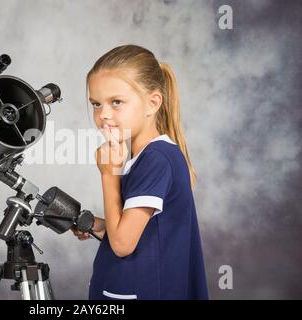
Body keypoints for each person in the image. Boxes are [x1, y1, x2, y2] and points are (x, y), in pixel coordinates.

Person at [71, 44, 209, 300]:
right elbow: (147, 232)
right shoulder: (146, 157)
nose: (103, 115)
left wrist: (109, 174)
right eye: (96, 104)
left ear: (152, 103)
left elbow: (123, 245)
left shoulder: (156, 159)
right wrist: (102, 227)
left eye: (116, 102)